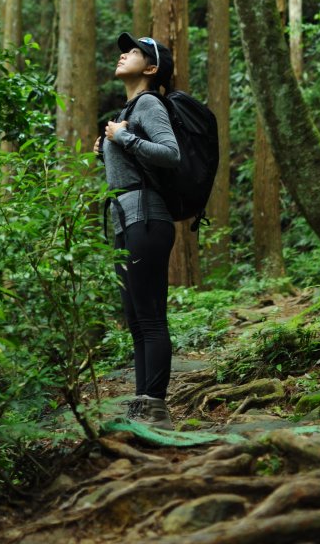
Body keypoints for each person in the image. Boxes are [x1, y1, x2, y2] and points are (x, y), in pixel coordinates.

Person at [97, 32, 180, 430]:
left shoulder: (148, 102)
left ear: (150, 68)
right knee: (135, 317)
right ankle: (142, 403)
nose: (123, 54)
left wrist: (123, 137)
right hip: (127, 221)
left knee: (150, 317)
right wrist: (109, 148)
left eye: (133, 52)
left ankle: (156, 408)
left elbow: (170, 153)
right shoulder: (129, 107)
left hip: (147, 217)